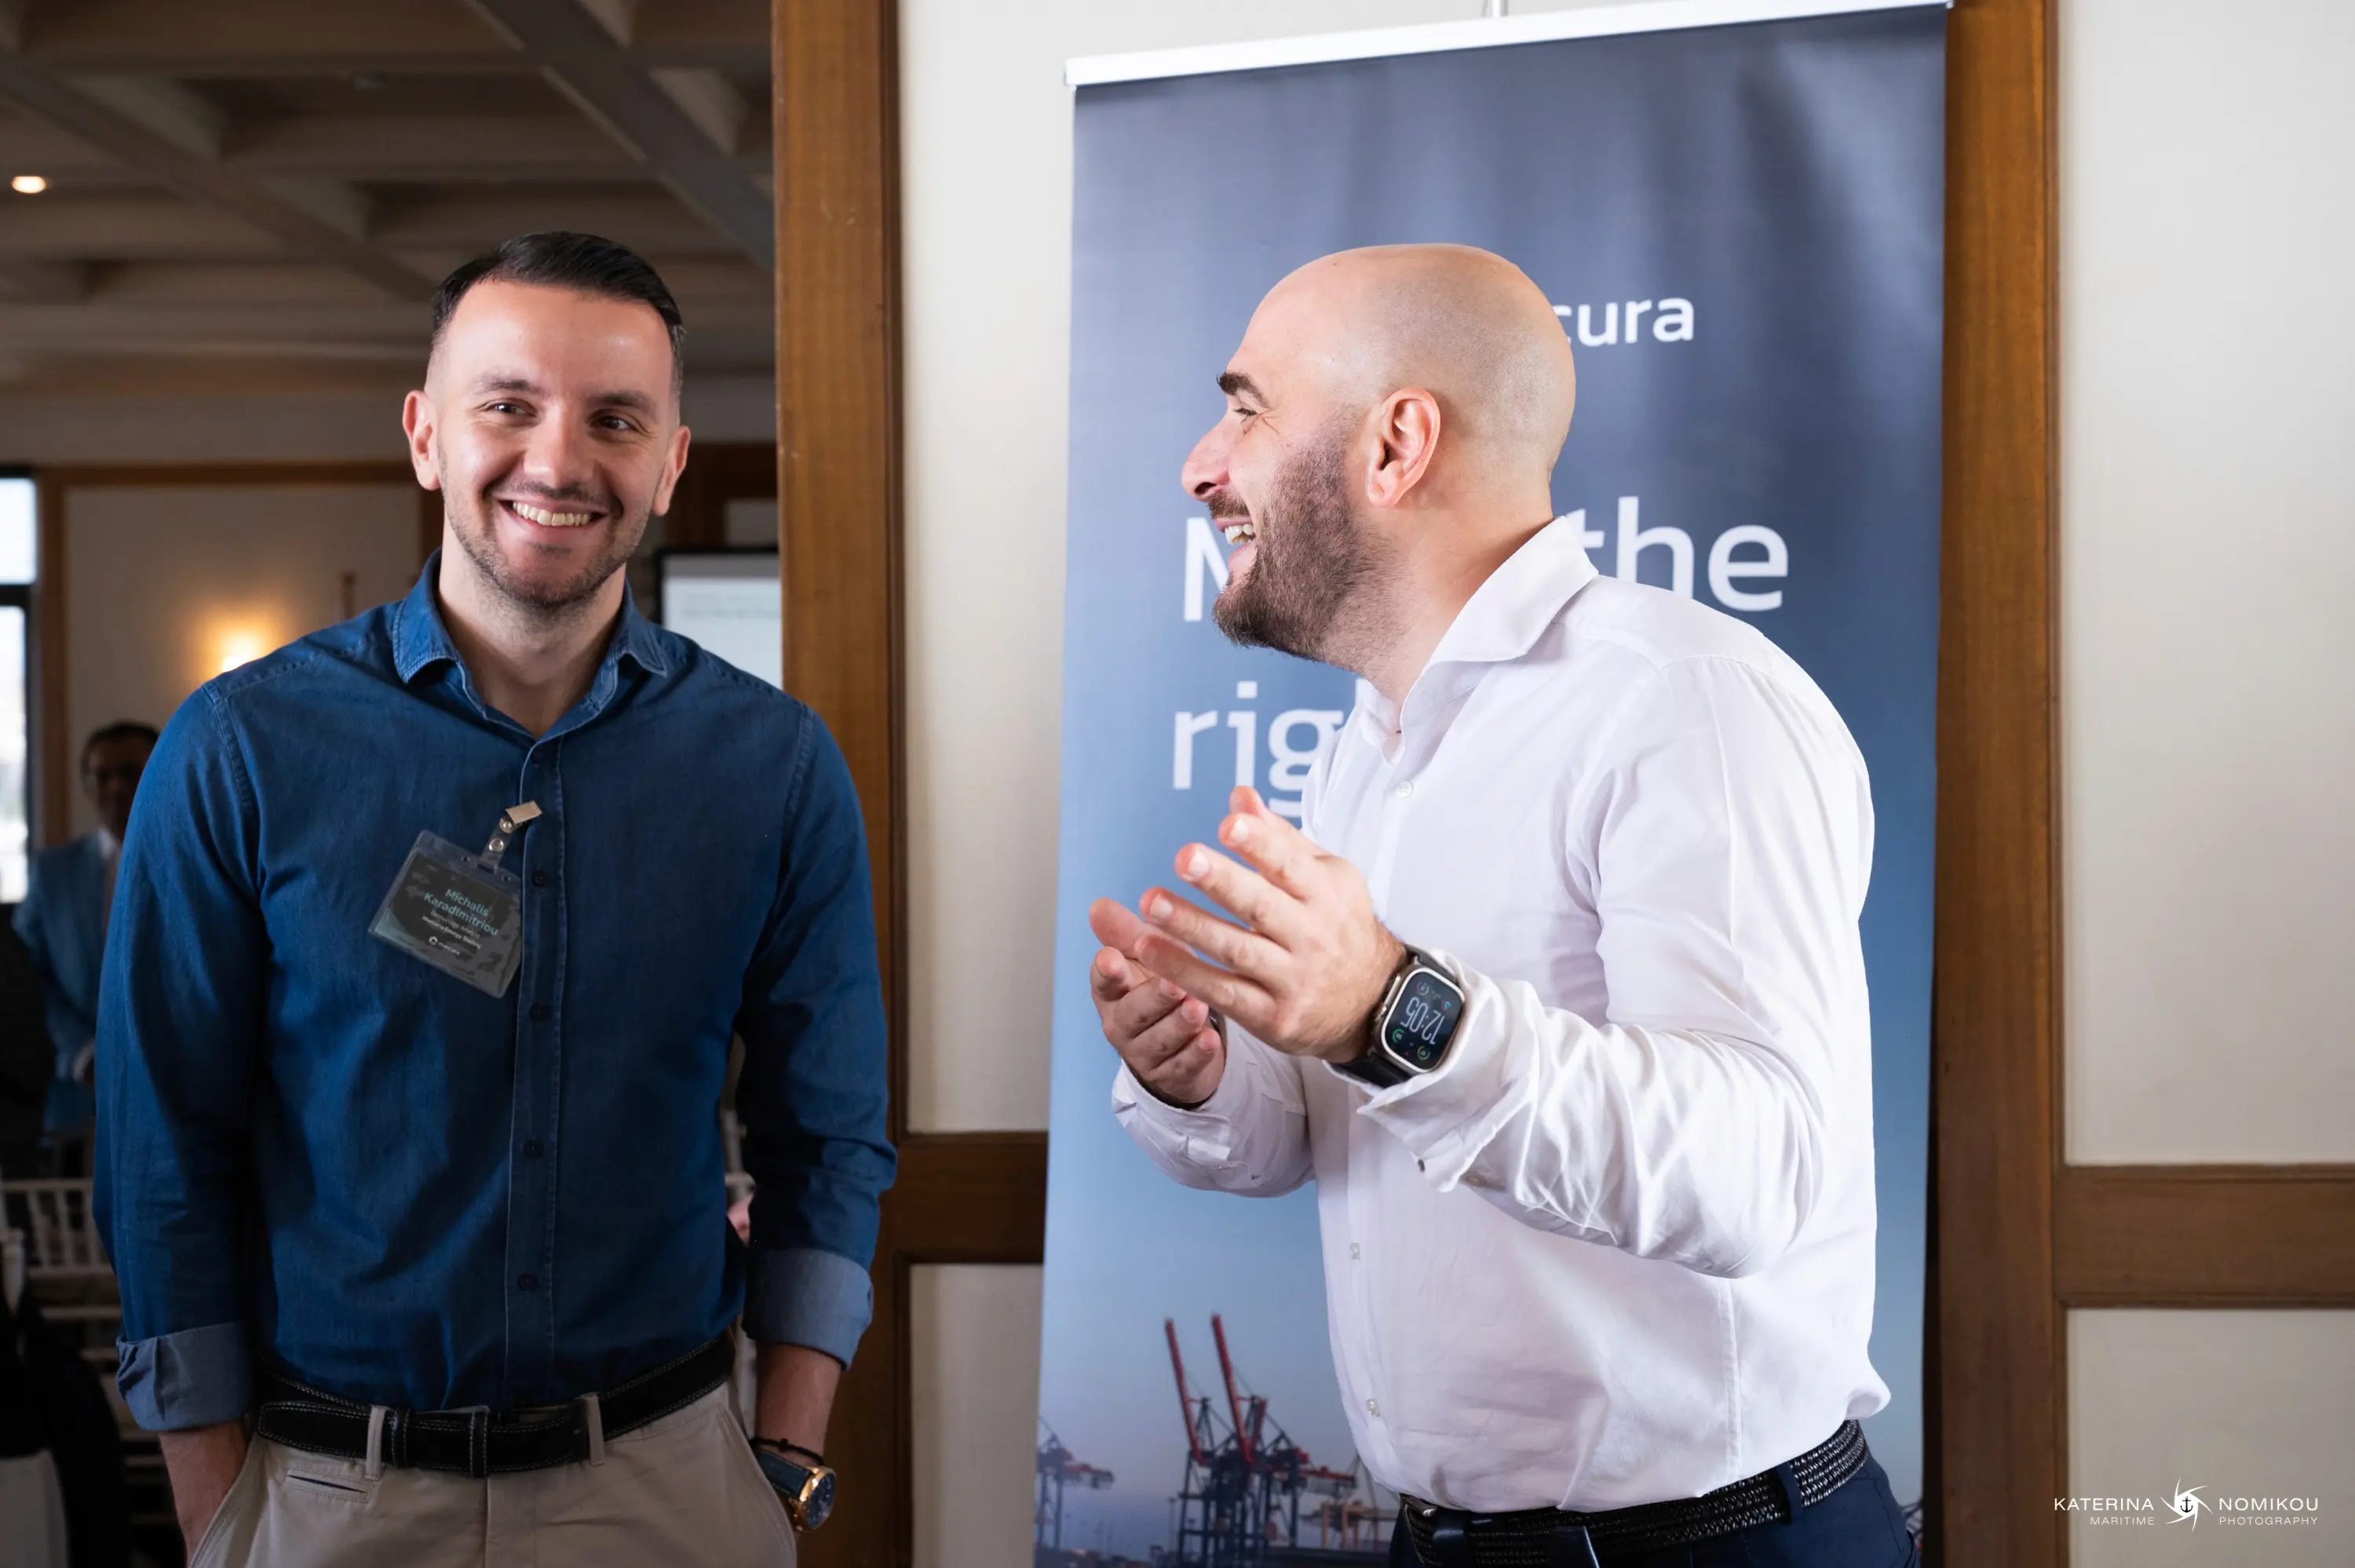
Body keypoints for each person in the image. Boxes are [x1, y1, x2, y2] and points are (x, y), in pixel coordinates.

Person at [1090, 246, 1914, 1568]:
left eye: (1246, 410)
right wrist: (1198, 1074)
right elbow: (1326, 1133)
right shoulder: (1369, 744)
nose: (1201, 464)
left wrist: (1390, 1007)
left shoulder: (1687, 701)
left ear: (1397, 444)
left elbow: (1754, 1172)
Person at [95, 232, 893, 1567]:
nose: (558, 459)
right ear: (426, 435)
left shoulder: (776, 769)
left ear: (670, 464)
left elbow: (829, 1135)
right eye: (509, 404)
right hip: (326, 1497)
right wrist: (218, 1506)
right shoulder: (240, 751)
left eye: (615, 419)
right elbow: (160, 1145)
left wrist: (787, 1458)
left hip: (668, 1490)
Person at [13, 721, 155, 1158]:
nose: (116, 788)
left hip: (178, 1085)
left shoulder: (199, 863)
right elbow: (22, 977)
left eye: (130, 773)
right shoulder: (52, 874)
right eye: (102, 776)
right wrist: (81, 1052)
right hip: (76, 1097)